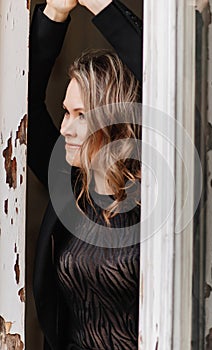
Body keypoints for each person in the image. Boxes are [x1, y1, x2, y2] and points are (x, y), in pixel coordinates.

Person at [28, 1, 143, 349]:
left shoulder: (157, 193)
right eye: (66, 112)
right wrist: (55, 14)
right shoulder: (68, 186)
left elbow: (175, 91)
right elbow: (20, 101)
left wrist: (104, 7)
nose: (66, 128)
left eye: (82, 114)